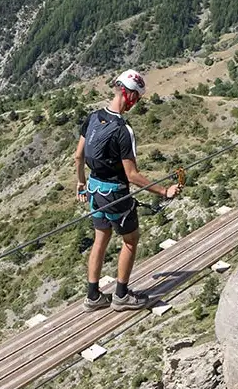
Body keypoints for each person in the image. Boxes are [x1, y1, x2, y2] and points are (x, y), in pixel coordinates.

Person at [75, 69, 178, 311]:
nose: (136, 103)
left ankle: (93, 296)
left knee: (100, 239)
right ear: (129, 95)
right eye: (137, 98)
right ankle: (121, 294)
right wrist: (164, 191)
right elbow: (132, 175)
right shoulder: (123, 129)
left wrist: (80, 183)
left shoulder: (92, 117)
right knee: (131, 240)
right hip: (115, 192)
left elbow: (78, 156)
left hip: (94, 189)